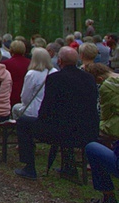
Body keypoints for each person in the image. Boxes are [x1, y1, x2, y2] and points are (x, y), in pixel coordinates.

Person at [14, 47, 100, 180]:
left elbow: (47, 107)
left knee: (23, 122)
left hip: (61, 131)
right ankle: (68, 167)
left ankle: (29, 167)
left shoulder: (55, 79)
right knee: (67, 122)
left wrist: (41, 122)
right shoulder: (89, 78)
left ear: (59, 61)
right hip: (87, 130)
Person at [18, 48, 57, 119]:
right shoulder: (55, 72)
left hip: (34, 111)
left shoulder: (31, 74)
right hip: (50, 110)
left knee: (16, 108)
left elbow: (25, 98)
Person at [3, 40, 30, 107]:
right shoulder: (30, 63)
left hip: (10, 93)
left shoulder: (6, 64)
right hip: (26, 93)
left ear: (11, 50)